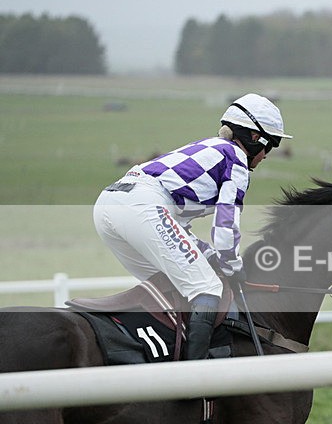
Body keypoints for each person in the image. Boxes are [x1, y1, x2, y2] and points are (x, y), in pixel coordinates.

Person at [93, 93, 292, 360]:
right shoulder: (236, 161)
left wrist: (208, 256)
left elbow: (176, 229)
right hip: (142, 206)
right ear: (255, 138)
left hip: (110, 205)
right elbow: (225, 224)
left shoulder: (210, 149)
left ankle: (154, 354)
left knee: (169, 285)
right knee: (208, 289)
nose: (267, 156)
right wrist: (232, 265)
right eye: (270, 146)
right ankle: (193, 376)